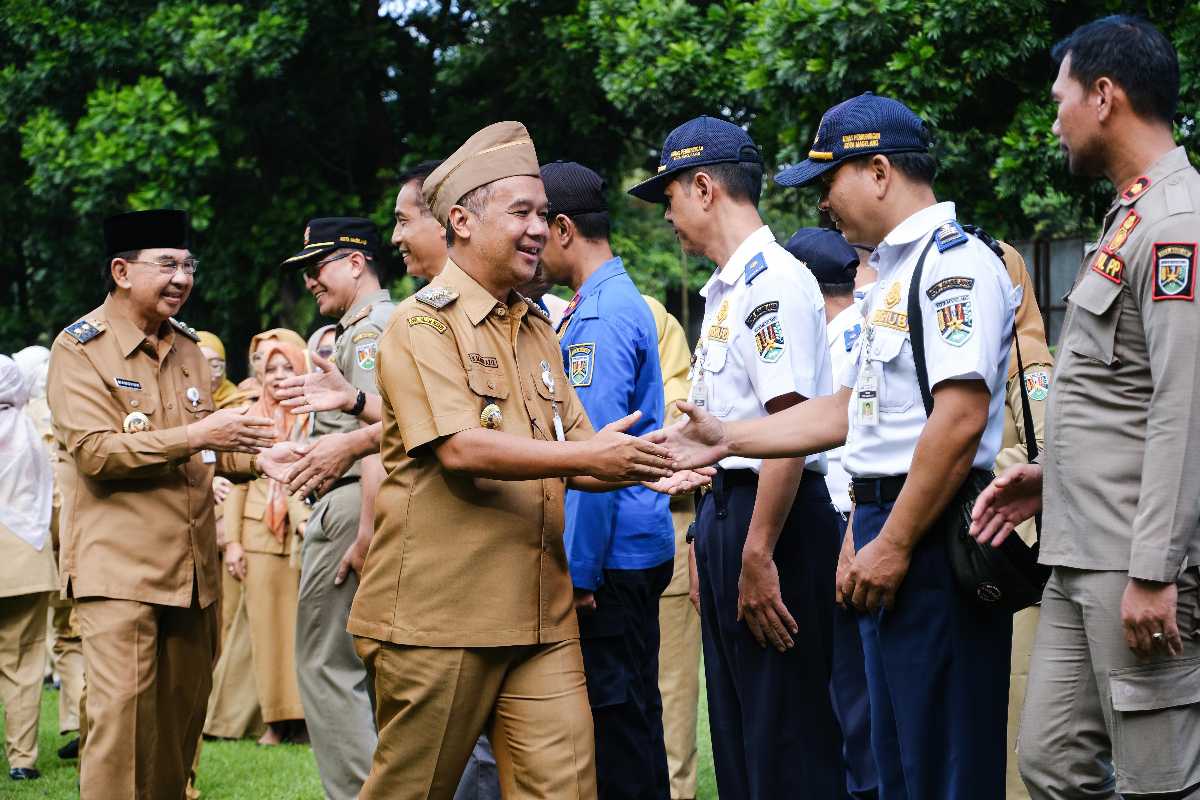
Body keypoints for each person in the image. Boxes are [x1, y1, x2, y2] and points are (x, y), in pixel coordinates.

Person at [652, 94, 1019, 799]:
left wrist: (894, 540)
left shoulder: (953, 266)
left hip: (931, 530)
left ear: (879, 171)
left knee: (941, 765)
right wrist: (728, 438)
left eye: (830, 181)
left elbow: (959, 418)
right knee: (891, 762)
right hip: (887, 525)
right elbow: (853, 413)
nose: (823, 204)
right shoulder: (893, 276)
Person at [344, 120, 700, 800]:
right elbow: (460, 449)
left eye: (544, 214)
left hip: (543, 612)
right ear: (462, 221)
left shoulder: (538, 326)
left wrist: (659, 457)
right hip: (440, 619)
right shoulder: (420, 324)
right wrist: (588, 455)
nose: (541, 227)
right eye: (522, 212)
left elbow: (585, 445)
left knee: (566, 787)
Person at [971, 17, 1200, 799]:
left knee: (1158, 780)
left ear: (1105, 97)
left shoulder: (1177, 226)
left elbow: (1184, 406)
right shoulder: (1129, 215)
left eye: (1059, 97)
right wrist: (1050, 475)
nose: (1054, 116)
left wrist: (1155, 570)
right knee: (1052, 762)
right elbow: (1121, 397)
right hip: (1078, 543)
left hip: (1134, 559)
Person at [629, 116, 845, 800]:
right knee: (741, 738)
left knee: (788, 742)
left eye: (668, 196)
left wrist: (756, 555)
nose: (667, 216)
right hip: (733, 516)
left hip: (773, 528)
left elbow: (792, 431)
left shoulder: (772, 283)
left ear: (702, 186)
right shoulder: (727, 290)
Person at [44, 209, 293, 799]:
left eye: (188, 265)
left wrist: (261, 459)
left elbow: (207, 453)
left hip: (192, 576)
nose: (183, 277)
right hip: (120, 571)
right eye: (168, 265)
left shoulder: (185, 349)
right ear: (121, 271)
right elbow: (96, 453)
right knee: (122, 721)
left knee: (181, 727)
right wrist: (201, 437)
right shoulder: (80, 348)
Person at [540, 159, 675, 800]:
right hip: (627, 547)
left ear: (563, 228)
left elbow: (594, 456)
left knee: (617, 727)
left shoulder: (599, 317)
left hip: (611, 558)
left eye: (536, 226)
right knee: (632, 719)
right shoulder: (601, 302)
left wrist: (582, 573)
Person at [279, 216, 393, 800]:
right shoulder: (368, 326)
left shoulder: (369, 330)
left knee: (328, 668)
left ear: (355, 262)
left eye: (316, 267)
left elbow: (379, 434)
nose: (309, 283)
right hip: (354, 502)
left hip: (354, 509)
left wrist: (366, 529)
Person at [783, 227, 879, 800]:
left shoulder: (840, 345)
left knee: (850, 702)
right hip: (857, 524)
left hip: (846, 527)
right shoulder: (867, 329)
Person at [222, 338, 311, 746]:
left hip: (304, 535)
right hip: (259, 534)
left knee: (303, 632)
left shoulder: (313, 416)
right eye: (270, 370)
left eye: (286, 369)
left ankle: (307, 718)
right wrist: (233, 542)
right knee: (267, 633)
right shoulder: (251, 417)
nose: (277, 377)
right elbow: (239, 485)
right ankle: (275, 721)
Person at [992, 243, 1052, 800]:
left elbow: (1048, 449)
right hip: (985, 560)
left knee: (1019, 707)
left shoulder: (1028, 360)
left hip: (1019, 562)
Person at [13, 344, 85, 761]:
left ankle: (75, 723)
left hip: (49, 544)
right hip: (58, 540)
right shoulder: (43, 415)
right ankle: (77, 720)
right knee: (70, 636)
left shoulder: (33, 416)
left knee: (57, 639)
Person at [642, 294, 702, 800]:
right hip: (568, 540)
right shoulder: (541, 320)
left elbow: (675, 430)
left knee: (670, 700)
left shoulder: (646, 315)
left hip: (660, 524)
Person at [0, 353, 58, 781]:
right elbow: (55, 501)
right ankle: (22, 759)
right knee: (23, 663)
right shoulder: (32, 434)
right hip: (27, 562)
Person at [197, 331, 239, 408]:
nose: (210, 376)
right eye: (199, 367)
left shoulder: (239, 400)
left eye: (215, 366)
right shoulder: (176, 400)